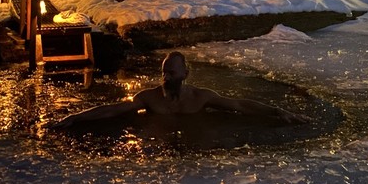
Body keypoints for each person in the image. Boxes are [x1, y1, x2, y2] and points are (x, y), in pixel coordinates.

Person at [51, 51, 309, 128]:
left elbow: (239, 105)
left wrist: (277, 111)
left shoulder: (201, 98)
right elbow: (113, 110)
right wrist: (75, 117)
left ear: (185, 74)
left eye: (171, 72)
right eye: (164, 71)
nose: (166, 76)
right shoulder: (149, 98)